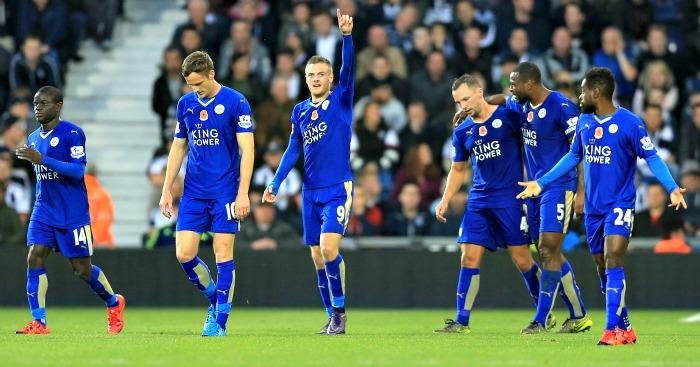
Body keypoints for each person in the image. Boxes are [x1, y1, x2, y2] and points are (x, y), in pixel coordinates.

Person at [518, 67, 687, 345]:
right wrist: (542, 183)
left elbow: (652, 157)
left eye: (583, 90)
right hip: (594, 209)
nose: (580, 96)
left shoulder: (630, 123)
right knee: (600, 264)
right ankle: (625, 325)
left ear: (596, 92)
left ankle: (611, 330)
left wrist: (671, 188)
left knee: (612, 258)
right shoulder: (584, 122)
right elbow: (572, 157)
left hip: (619, 204)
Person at [433, 74, 549, 334]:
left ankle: (544, 310)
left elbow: (532, 142)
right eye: (457, 101)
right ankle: (461, 321)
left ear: (479, 92)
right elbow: (458, 169)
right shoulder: (463, 131)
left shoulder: (508, 116)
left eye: (465, 98)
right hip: (479, 200)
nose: (462, 105)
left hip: (511, 199)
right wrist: (445, 199)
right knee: (468, 256)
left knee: (522, 259)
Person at [263, 9, 353, 335]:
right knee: (317, 256)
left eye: (321, 74)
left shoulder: (342, 100)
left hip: (337, 187)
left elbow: (351, 67)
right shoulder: (300, 111)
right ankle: (331, 315)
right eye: (311, 74)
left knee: (329, 249)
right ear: (305, 79)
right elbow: (293, 150)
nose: (316, 78)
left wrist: (346, 37)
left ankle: (341, 314)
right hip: (310, 192)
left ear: (331, 78)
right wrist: (275, 181)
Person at [159, 50, 255, 337]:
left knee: (222, 252)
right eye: (190, 85)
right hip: (194, 192)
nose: (195, 90)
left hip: (225, 191)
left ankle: (219, 323)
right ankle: (216, 299)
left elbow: (247, 149)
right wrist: (166, 189)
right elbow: (178, 147)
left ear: (212, 74)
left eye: (199, 84)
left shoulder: (236, 102)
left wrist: (243, 193)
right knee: (183, 253)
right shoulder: (186, 104)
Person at [15, 86, 125, 335]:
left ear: (58, 105)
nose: (38, 108)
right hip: (43, 210)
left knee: (82, 269)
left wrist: (42, 159)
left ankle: (113, 302)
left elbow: (78, 171)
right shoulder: (33, 138)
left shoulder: (73, 133)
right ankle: (39, 322)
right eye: (35, 104)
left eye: (43, 103)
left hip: (72, 213)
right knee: (34, 256)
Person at [500, 62, 591, 334]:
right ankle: (578, 315)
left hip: (558, 187)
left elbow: (581, 151)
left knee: (549, 248)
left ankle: (540, 319)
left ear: (530, 83)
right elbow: (500, 100)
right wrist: (474, 106)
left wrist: (582, 192)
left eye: (514, 83)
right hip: (533, 189)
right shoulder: (521, 104)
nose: (511, 88)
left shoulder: (562, 107)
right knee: (546, 250)